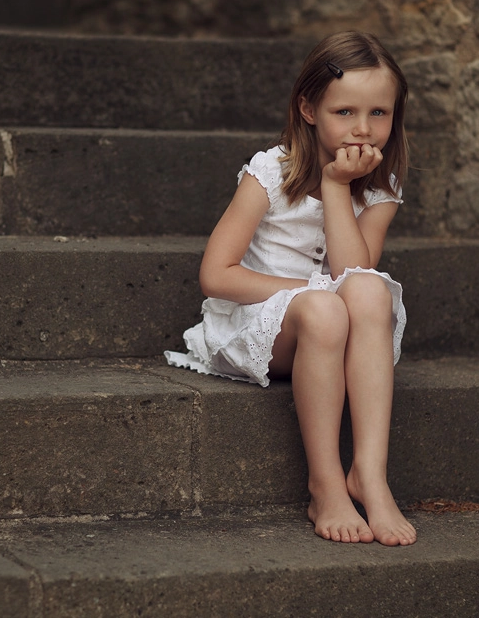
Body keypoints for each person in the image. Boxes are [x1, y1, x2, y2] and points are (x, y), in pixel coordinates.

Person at [165, 31, 416, 546]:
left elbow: (353, 273)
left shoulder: (382, 187)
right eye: (344, 112)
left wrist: (338, 188)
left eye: (379, 114)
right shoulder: (269, 171)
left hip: (333, 320)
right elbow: (217, 274)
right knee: (325, 308)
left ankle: (369, 473)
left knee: (367, 291)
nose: (362, 129)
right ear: (308, 107)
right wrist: (306, 292)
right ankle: (325, 483)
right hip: (258, 324)